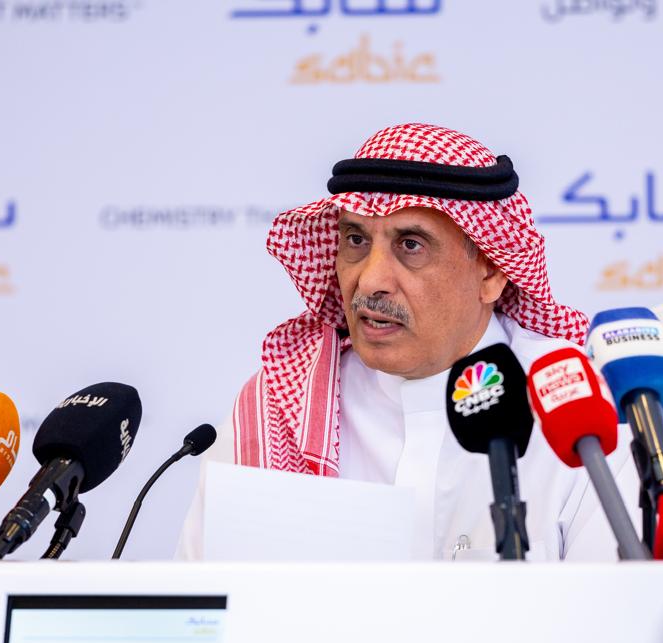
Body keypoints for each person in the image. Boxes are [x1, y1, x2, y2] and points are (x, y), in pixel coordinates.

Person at [176, 123, 632, 561]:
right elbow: (200, 598)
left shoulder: (579, 409)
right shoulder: (277, 406)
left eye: (411, 245)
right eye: (356, 240)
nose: (370, 280)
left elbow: (616, 603)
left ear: (491, 272)